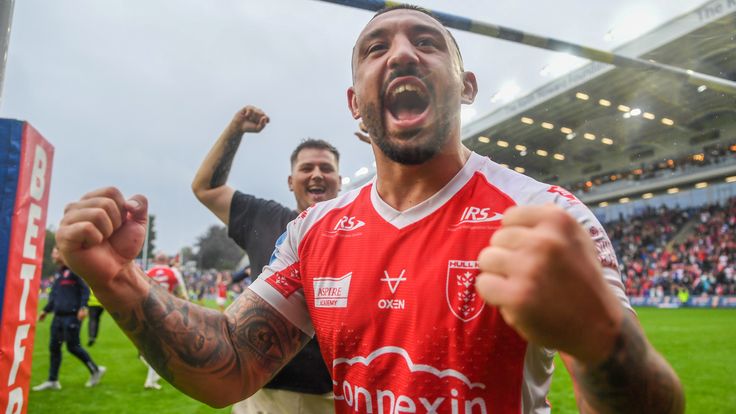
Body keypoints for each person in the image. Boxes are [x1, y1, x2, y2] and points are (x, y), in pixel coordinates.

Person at [56, 5, 684, 413]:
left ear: (465, 88)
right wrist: (116, 280)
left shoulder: (544, 214)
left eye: (428, 42)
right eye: (375, 46)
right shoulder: (314, 230)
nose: (402, 53)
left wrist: (604, 340)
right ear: (356, 103)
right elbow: (233, 360)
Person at [190, 106, 340, 413]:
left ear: (339, 179)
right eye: (306, 168)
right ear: (290, 180)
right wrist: (235, 130)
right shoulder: (265, 217)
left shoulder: (363, 225)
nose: (316, 174)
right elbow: (206, 188)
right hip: (265, 394)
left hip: (334, 394)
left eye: (326, 168)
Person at [32, 247, 106, 391]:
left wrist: (83, 307)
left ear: (62, 253)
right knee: (54, 348)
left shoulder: (74, 271)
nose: (52, 254)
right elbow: (54, 297)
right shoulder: (59, 274)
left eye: (54, 251)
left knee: (73, 347)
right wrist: (45, 311)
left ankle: (95, 370)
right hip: (57, 318)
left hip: (71, 317)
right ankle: (52, 380)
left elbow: (85, 290)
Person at [141, 252, 189, 390]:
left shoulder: (148, 272)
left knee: (158, 345)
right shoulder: (174, 272)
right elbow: (182, 293)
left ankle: (153, 375)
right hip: (168, 311)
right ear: (167, 260)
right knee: (165, 346)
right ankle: (152, 379)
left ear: (155, 260)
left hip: (149, 310)